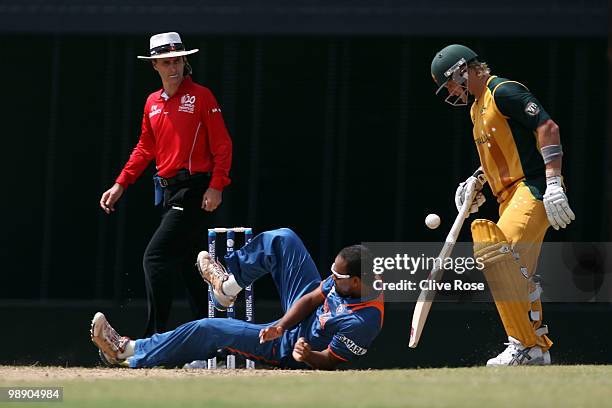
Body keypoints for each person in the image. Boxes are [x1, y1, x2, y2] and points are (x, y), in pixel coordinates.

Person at [430, 44, 575, 366]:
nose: (451, 91)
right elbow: (501, 154)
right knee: (519, 276)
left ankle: (523, 344)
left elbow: (547, 127)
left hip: (532, 188)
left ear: (462, 70)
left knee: (496, 253)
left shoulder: (503, 91)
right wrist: (477, 181)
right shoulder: (475, 109)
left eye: (450, 83)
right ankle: (535, 349)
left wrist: (553, 182)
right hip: (506, 197)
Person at [90, 228, 384, 370]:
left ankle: (127, 350)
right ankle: (227, 288)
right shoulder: (346, 278)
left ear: (357, 282)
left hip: (294, 348)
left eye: (339, 276)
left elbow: (331, 362)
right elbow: (310, 299)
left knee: (208, 328)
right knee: (284, 239)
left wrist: (305, 353)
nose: (332, 277)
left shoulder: (364, 320)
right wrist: (281, 324)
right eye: (332, 272)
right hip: (294, 325)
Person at [99, 32, 233, 336]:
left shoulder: (201, 96)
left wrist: (217, 185)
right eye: (166, 62)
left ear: (184, 61)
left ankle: (152, 339)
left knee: (155, 257)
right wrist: (121, 184)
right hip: (170, 190)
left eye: (177, 61)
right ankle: (212, 342)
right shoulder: (152, 103)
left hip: (196, 189)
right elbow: (146, 147)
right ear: (155, 65)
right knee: (192, 268)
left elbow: (223, 145)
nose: (173, 67)